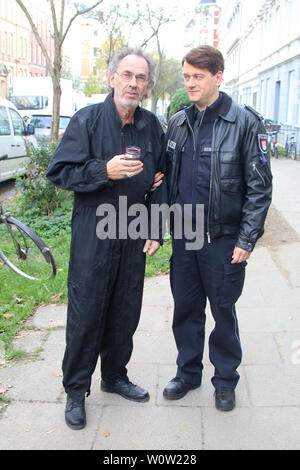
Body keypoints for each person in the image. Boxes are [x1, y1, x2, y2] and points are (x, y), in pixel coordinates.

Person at [46, 48, 165, 430]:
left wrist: (155, 225)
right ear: (112, 77)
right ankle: (75, 390)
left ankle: (114, 376)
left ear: (146, 86)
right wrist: (104, 170)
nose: (133, 82)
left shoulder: (151, 127)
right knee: (86, 312)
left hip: (132, 232)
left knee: (125, 309)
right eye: (126, 74)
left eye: (140, 77)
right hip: (94, 232)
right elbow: (60, 172)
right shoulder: (88, 121)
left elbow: (163, 179)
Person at [163, 45, 272, 411]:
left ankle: (225, 380)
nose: (190, 84)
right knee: (186, 309)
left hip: (223, 240)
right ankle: (187, 372)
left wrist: (247, 238)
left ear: (218, 77)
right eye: (186, 77)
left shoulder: (244, 123)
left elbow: (260, 187)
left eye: (197, 77)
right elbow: (167, 181)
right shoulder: (179, 122)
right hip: (185, 237)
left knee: (223, 311)